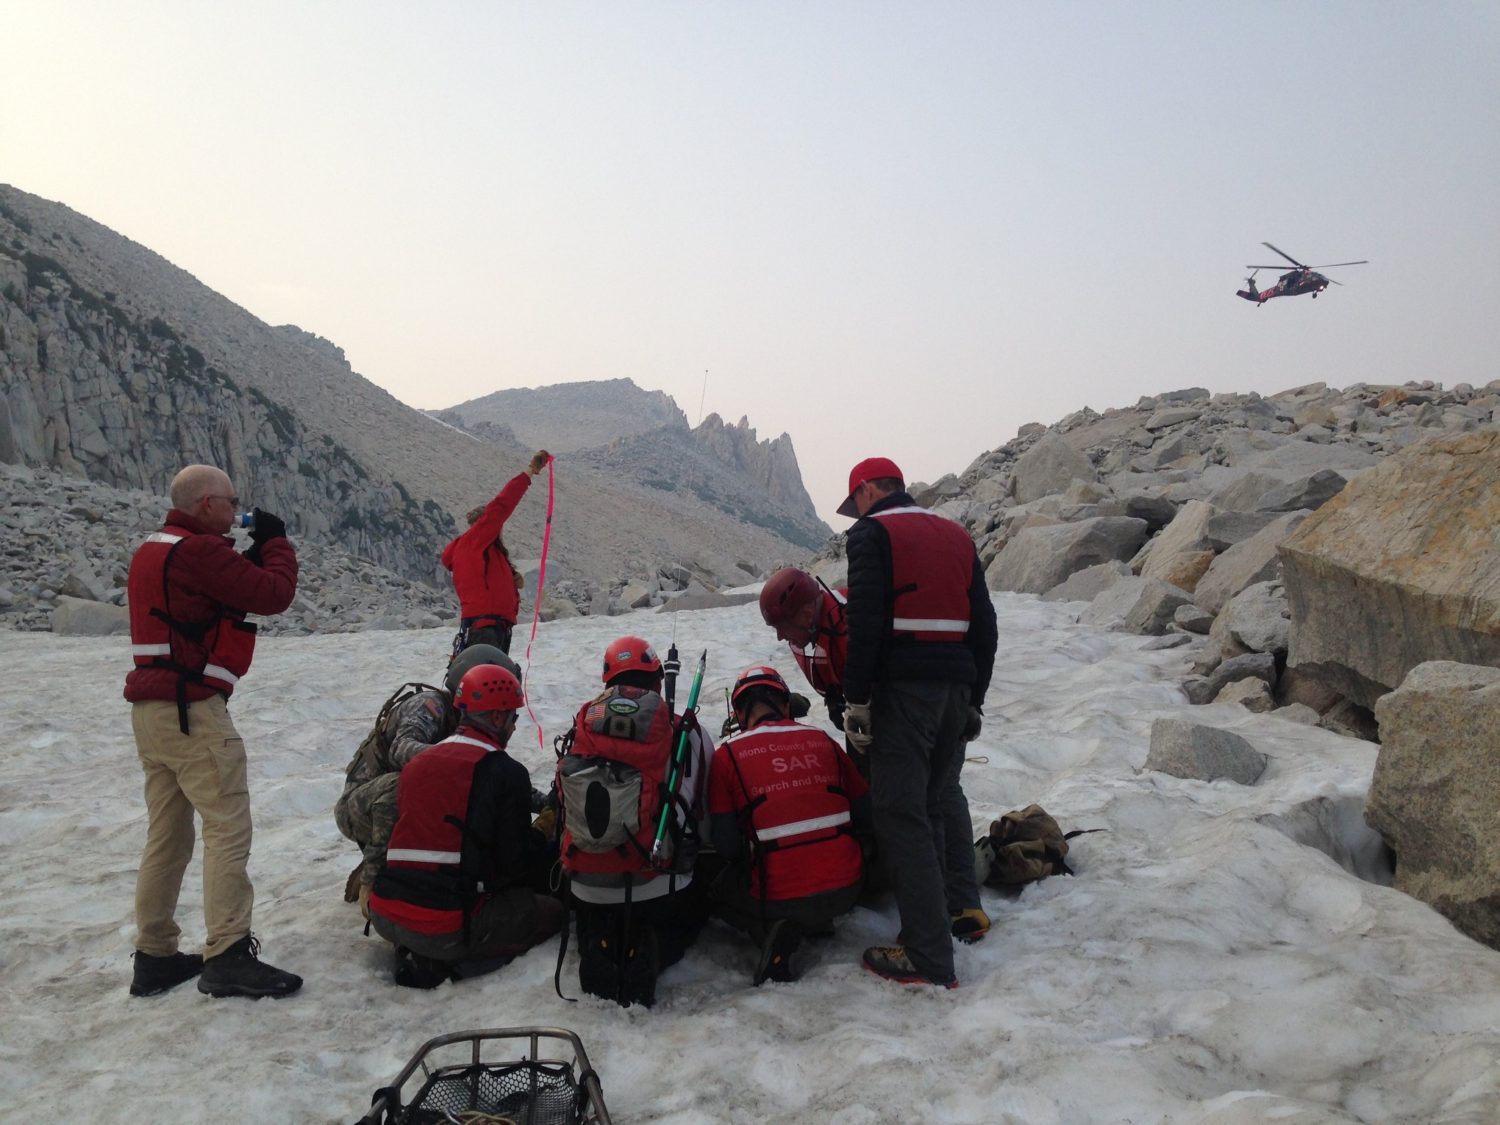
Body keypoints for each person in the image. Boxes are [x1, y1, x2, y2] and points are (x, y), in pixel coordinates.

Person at [124, 464, 302, 999]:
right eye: (230, 502)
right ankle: (227, 953)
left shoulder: (155, 548)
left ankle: (153, 955)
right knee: (227, 828)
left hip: (151, 713)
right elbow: (272, 593)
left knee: (168, 835)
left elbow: (214, 591)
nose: (235, 512)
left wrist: (246, 551)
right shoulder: (198, 551)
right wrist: (276, 541)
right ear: (206, 505)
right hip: (192, 711)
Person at [837, 456, 999, 988]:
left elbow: (865, 626)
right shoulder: (956, 535)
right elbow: (985, 626)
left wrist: (855, 700)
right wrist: (974, 698)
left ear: (866, 491)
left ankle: (928, 956)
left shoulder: (870, 535)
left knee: (899, 813)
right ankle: (952, 917)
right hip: (956, 688)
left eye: (853, 501)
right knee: (932, 806)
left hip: (905, 692)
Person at [367, 664, 564, 987]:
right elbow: (513, 866)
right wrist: (544, 830)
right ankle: (452, 960)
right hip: (446, 925)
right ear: (498, 718)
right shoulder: (505, 772)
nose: (514, 728)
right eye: (514, 718)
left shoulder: (416, 764)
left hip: (386, 914)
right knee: (552, 911)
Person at [554, 635, 712, 1007]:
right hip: (656, 880)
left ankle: (599, 939)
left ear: (607, 683)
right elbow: (702, 819)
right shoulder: (687, 733)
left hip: (585, 882)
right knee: (699, 901)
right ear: (659, 681)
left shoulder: (582, 728)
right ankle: (654, 946)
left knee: (596, 909)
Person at [709, 665, 870, 985]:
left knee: (715, 890)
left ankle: (769, 930)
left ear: (739, 713)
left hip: (776, 897)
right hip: (848, 889)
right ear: (785, 705)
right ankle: (818, 920)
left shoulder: (727, 755)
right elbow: (866, 813)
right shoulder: (823, 739)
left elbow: (724, 844)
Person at [334, 644, 522, 912]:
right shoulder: (430, 705)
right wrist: (455, 757)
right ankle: (373, 879)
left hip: (405, 799)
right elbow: (401, 749)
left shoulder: (467, 718)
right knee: (398, 787)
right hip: (363, 805)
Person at [441, 449, 550, 654]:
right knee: (490, 678)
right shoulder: (478, 537)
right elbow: (502, 504)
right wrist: (530, 471)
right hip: (486, 626)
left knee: (487, 677)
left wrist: (509, 578)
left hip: (488, 625)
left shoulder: (480, 547)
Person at [759, 567, 850, 729]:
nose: (780, 636)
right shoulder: (826, 621)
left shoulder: (847, 629)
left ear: (807, 615)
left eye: (783, 627)